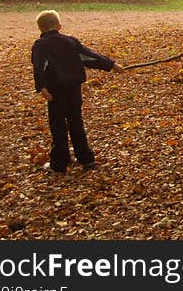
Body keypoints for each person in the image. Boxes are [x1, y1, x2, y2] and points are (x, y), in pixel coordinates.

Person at [31, 10, 124, 174]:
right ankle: (86, 158)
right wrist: (111, 64)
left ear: (40, 28)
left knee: (58, 125)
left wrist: (42, 87)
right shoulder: (70, 41)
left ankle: (60, 163)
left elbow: (40, 67)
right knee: (76, 122)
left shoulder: (40, 45)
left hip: (55, 91)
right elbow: (88, 56)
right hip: (74, 88)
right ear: (59, 26)